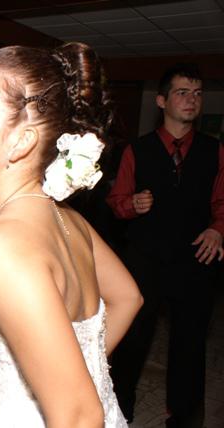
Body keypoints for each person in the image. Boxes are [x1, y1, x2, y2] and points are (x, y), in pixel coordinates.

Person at [0, 42, 143, 427]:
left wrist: (59, 400)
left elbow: (79, 417)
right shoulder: (66, 217)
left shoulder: (0, 245)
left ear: (21, 142)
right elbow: (127, 298)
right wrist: (68, 379)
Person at [106, 63, 224, 427]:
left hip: (195, 259)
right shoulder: (137, 149)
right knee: (132, 340)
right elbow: (116, 201)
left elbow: (221, 202)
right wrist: (132, 204)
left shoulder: (215, 150)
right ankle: (118, 412)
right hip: (146, 258)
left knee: (190, 343)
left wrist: (218, 229)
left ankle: (184, 418)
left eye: (197, 93)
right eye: (182, 92)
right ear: (161, 101)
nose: (192, 100)